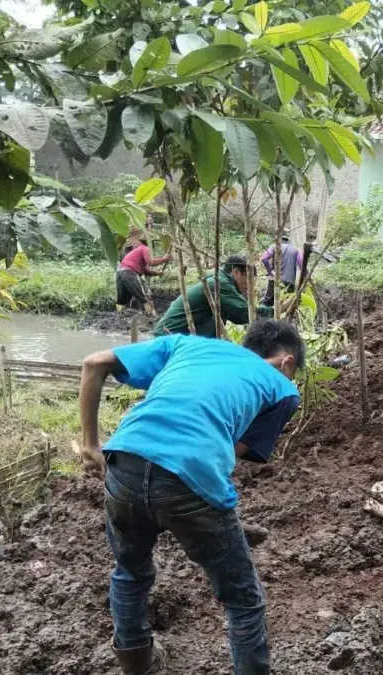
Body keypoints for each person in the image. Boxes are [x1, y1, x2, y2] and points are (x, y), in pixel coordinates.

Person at [75, 320, 304, 675]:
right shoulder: (282, 388)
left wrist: (90, 444)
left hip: (124, 459)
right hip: (190, 477)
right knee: (243, 600)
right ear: (286, 362)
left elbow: (94, 363)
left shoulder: (186, 346)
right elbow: (231, 449)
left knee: (130, 573)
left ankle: (138, 666)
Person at [153, 254, 271, 338]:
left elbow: (238, 317)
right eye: (249, 280)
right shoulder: (220, 283)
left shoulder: (222, 281)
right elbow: (244, 311)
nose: (251, 286)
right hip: (169, 336)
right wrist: (274, 311)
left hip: (176, 334)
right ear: (236, 272)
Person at [116, 235, 171, 315]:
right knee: (145, 295)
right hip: (129, 272)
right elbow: (150, 262)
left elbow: (145, 271)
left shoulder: (136, 251)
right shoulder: (144, 248)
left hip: (120, 272)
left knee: (123, 300)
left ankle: (121, 316)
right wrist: (163, 259)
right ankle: (152, 315)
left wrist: (156, 273)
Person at [260, 235, 304, 307]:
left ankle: (262, 317)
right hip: (289, 283)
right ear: (289, 240)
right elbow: (302, 265)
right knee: (285, 306)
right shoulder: (296, 249)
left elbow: (264, 258)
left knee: (267, 304)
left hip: (275, 280)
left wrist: (270, 271)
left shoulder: (274, 246)